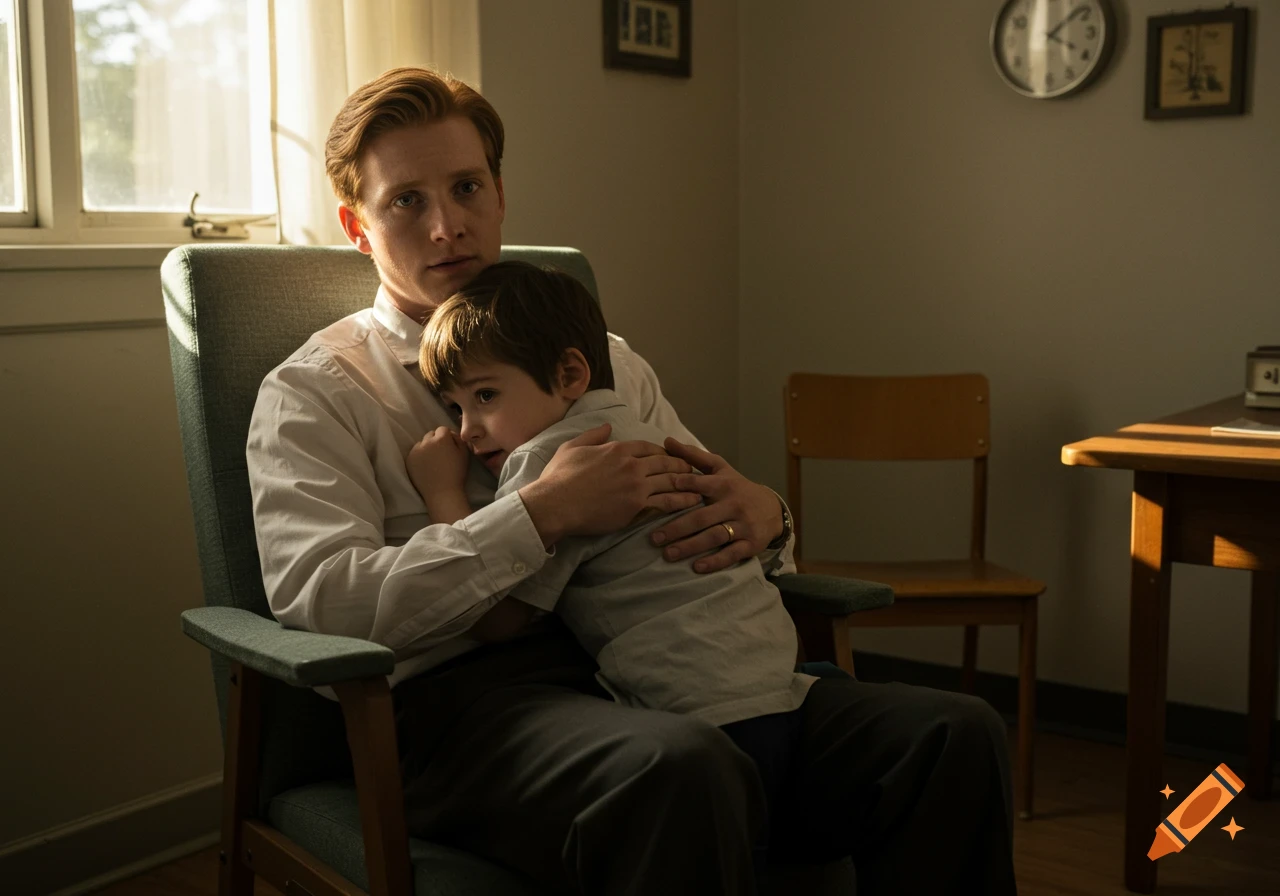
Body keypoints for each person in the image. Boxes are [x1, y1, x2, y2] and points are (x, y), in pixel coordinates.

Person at [247, 65, 1018, 894]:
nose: (448, 227)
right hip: (468, 711)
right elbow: (322, 602)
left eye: (467, 187)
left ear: (500, 195)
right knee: (681, 765)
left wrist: (767, 518)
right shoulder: (316, 391)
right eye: (406, 201)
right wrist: (539, 515)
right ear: (356, 227)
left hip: (660, 660)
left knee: (953, 730)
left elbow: (697, 498)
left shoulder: (602, 360)